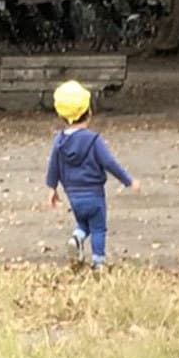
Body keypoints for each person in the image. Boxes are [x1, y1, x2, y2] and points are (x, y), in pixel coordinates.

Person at [44, 81, 138, 272]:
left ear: (62, 115)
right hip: (94, 194)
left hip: (74, 195)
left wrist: (52, 188)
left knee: (83, 223)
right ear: (89, 112)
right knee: (98, 228)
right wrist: (128, 181)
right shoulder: (94, 140)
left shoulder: (60, 142)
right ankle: (98, 262)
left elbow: (53, 165)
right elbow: (110, 163)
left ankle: (76, 238)